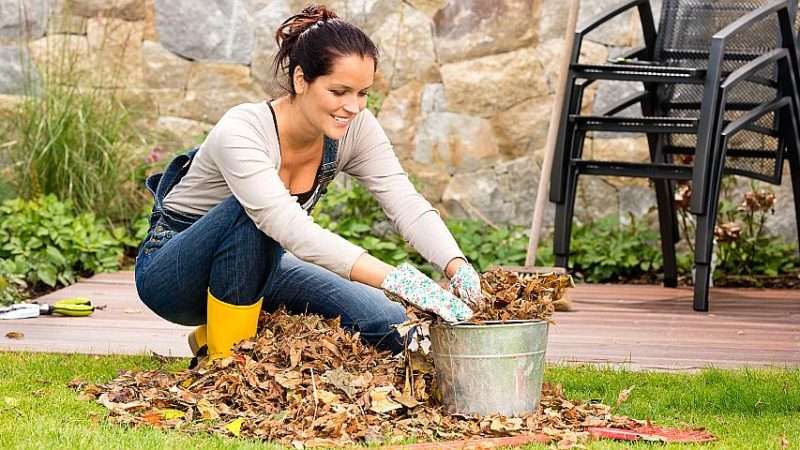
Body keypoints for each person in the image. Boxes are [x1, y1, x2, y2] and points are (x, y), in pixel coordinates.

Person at [134, 4, 483, 366]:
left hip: (263, 266)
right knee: (252, 215)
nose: (353, 107)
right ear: (301, 80)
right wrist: (401, 281)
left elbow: (404, 200)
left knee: (387, 322)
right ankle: (224, 366)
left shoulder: (355, 129)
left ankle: (229, 332)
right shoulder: (242, 130)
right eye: (339, 91)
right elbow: (289, 226)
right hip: (173, 275)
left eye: (363, 93)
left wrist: (457, 266)